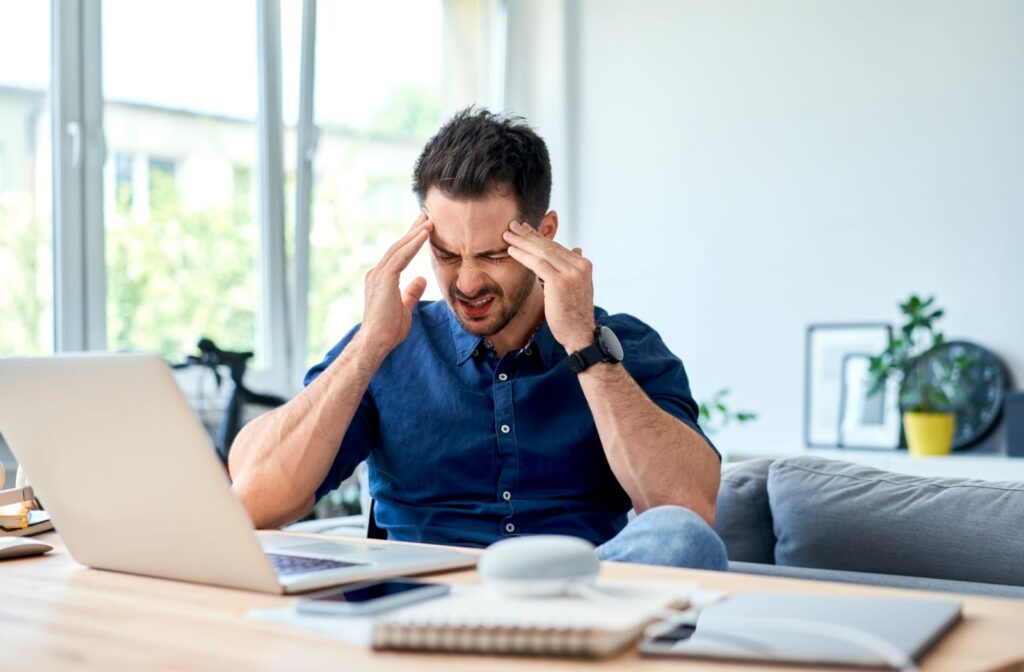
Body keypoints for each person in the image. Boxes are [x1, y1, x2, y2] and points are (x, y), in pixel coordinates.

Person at [229, 109, 727, 569]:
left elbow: (686, 511)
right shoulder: (391, 341)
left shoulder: (624, 345)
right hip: (419, 605)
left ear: (545, 234)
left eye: (491, 256)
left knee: (685, 540)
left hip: (575, 603)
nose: (467, 284)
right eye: (446, 254)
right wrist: (367, 349)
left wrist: (583, 344)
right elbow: (252, 498)